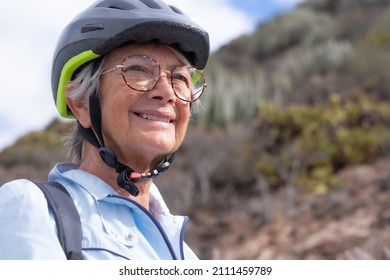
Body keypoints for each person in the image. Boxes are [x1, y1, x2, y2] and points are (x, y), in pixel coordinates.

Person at [0, 0, 209, 260]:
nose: (167, 93)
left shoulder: (188, 257)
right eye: (138, 68)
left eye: (179, 78)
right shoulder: (34, 209)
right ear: (80, 103)